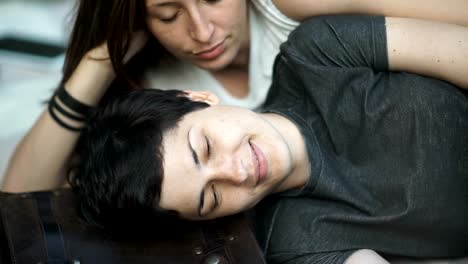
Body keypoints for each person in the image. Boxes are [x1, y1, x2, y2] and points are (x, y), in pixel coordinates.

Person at [41, 15, 468, 263]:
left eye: (205, 147)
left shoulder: (317, 53)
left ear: (200, 99)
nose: (237, 172)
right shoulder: (294, 242)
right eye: (210, 198)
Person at [2, 0, 468, 193]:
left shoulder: (290, 8)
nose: (201, 31)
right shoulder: (157, 89)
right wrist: (96, 65)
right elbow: (20, 197)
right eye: (168, 14)